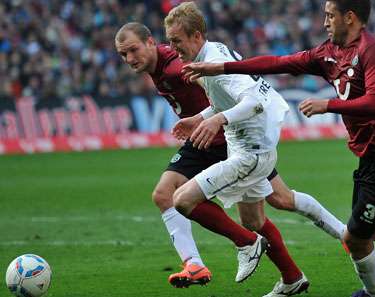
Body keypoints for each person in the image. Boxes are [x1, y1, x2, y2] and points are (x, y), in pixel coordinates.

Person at [182, 1, 375, 296]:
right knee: (372, 231)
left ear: (350, 17)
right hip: (371, 160)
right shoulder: (329, 53)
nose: (325, 22)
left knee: (354, 239)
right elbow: (279, 62)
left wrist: (329, 105)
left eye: (330, 15)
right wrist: (220, 67)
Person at [115, 19, 325, 295]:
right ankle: (197, 264)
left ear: (151, 42)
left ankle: (263, 248)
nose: (130, 59)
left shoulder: (177, 66)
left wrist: (216, 118)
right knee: (165, 195)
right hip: (203, 139)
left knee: (270, 206)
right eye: (123, 55)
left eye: (133, 50)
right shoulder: (160, 67)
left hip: (223, 141)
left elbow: (229, 89)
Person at [164, 3, 312, 296]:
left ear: (195, 36)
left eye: (176, 40)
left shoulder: (215, 62)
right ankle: (292, 278)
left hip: (251, 153)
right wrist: (201, 117)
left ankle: (246, 243)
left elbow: (254, 100)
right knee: (254, 220)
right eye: (169, 41)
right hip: (251, 147)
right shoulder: (208, 56)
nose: (173, 47)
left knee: (180, 200)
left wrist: (218, 119)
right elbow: (227, 101)